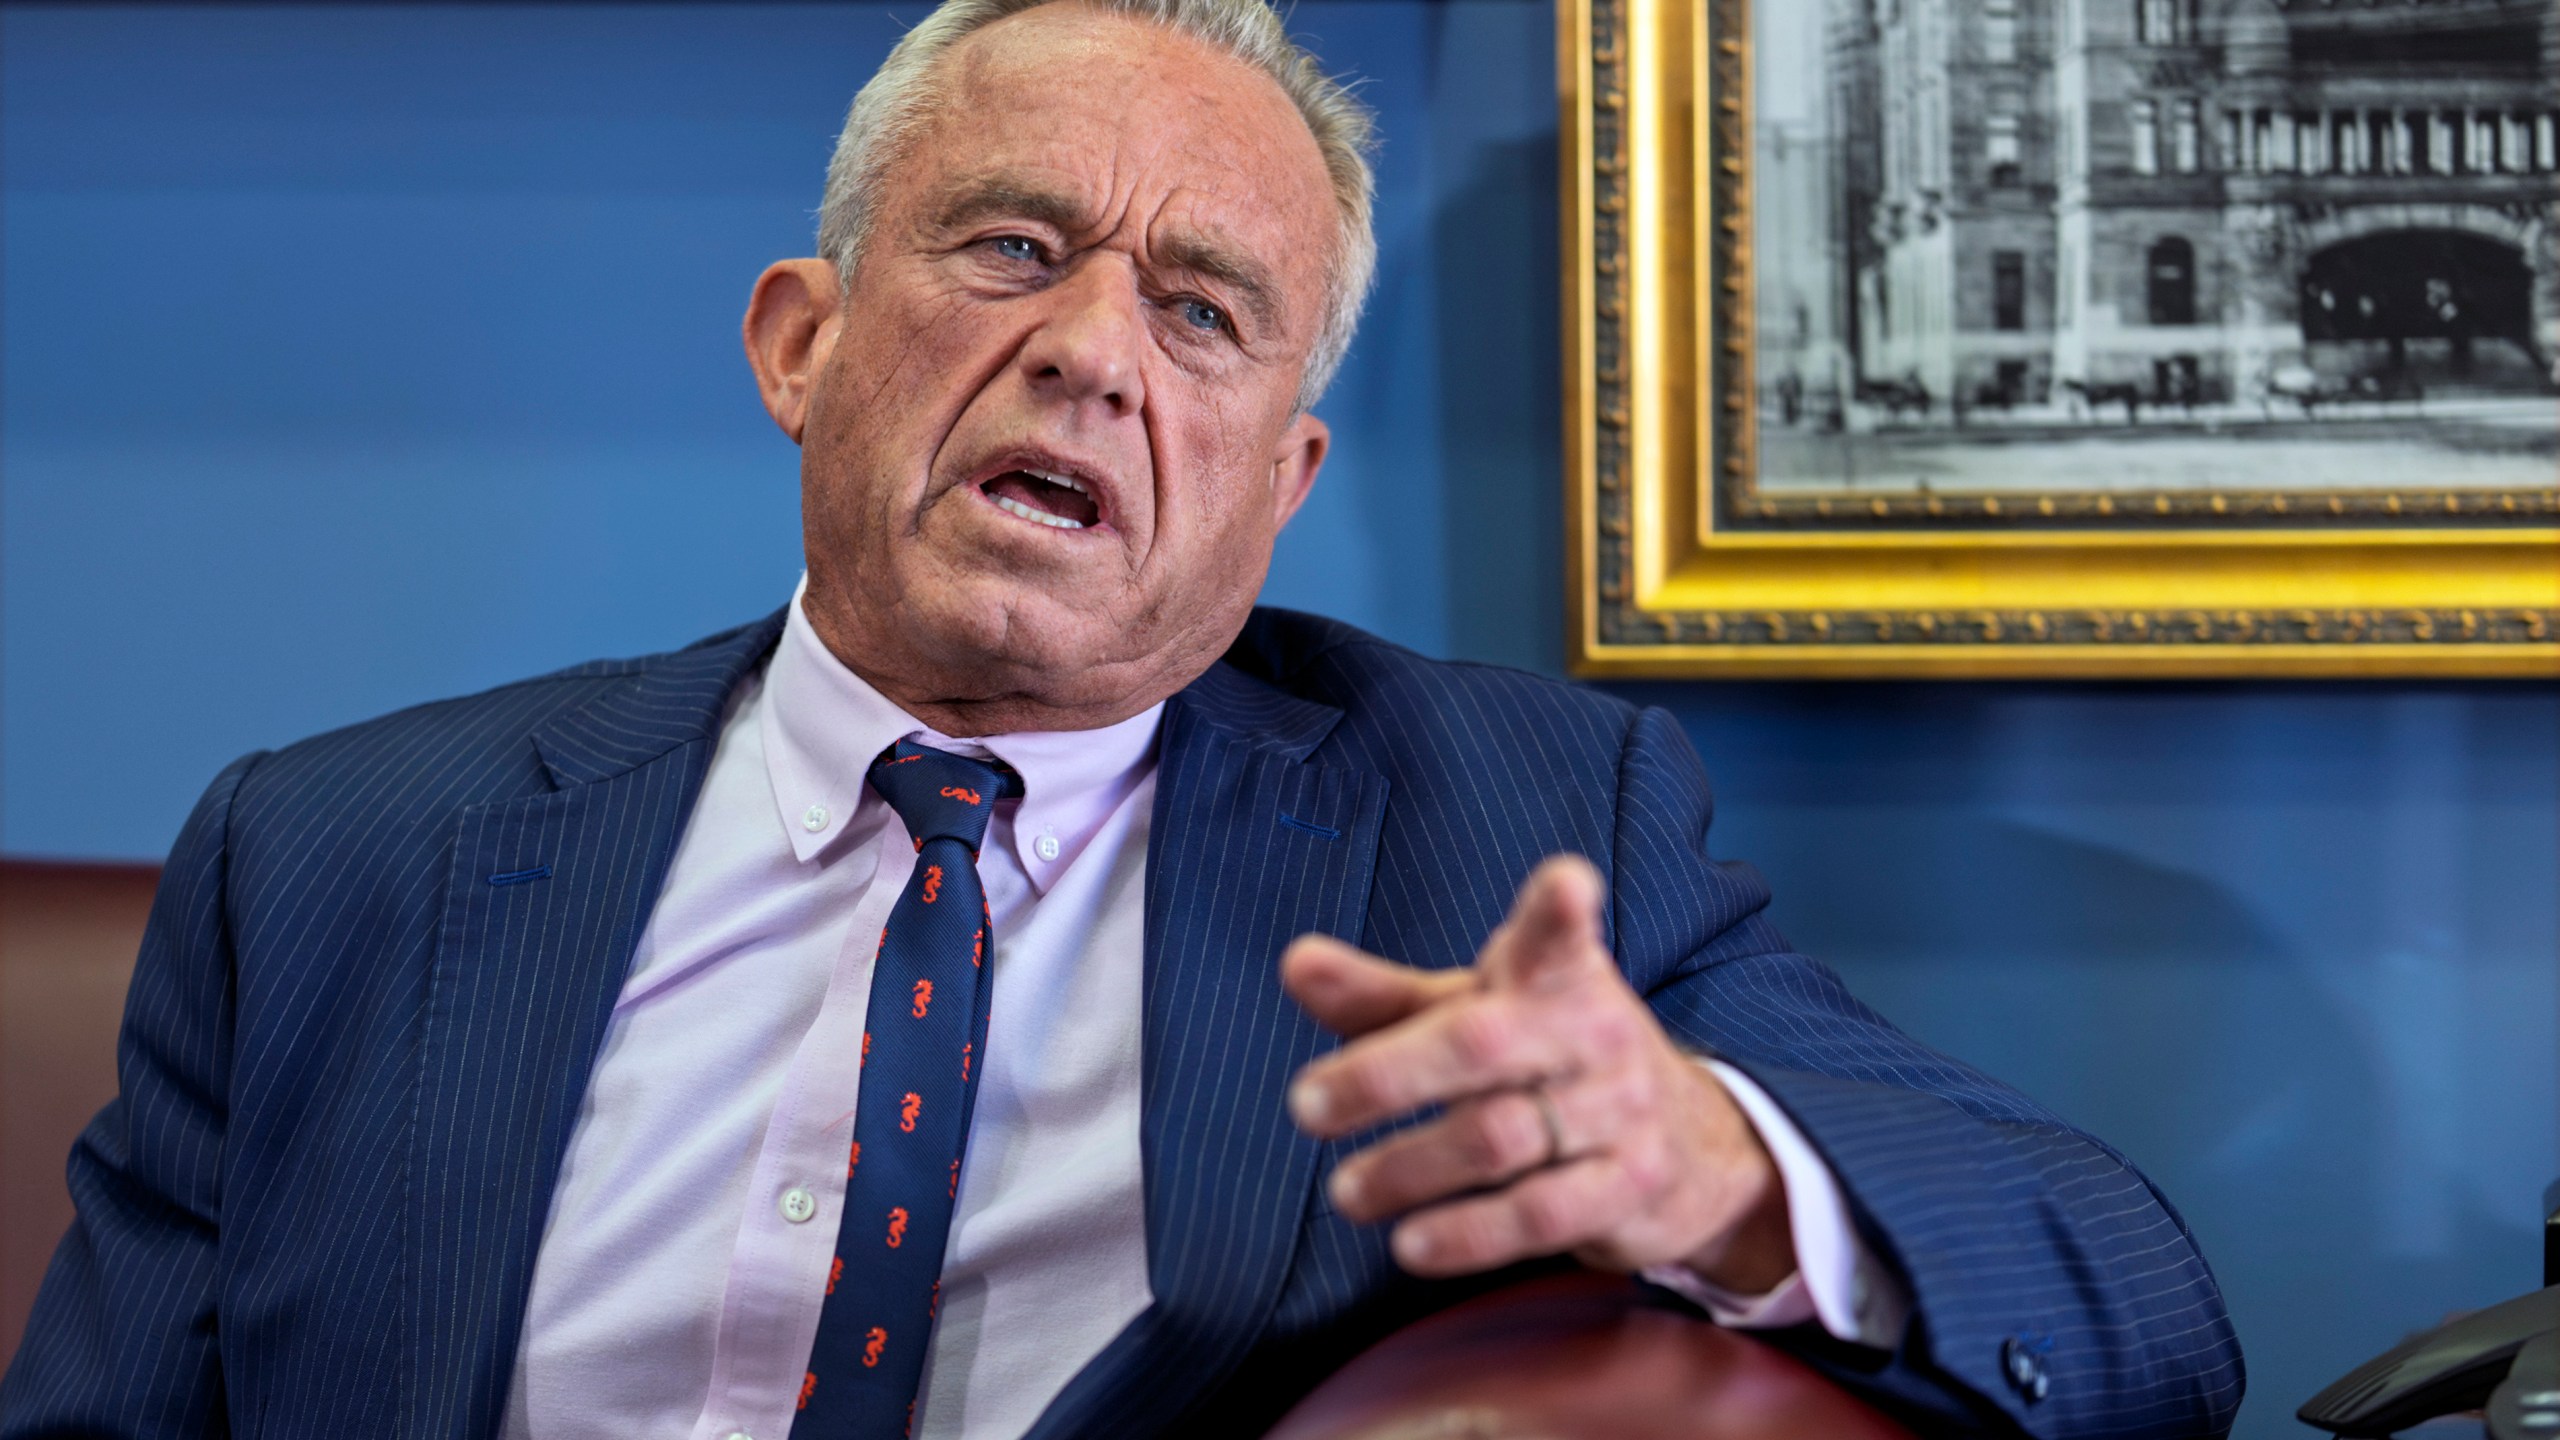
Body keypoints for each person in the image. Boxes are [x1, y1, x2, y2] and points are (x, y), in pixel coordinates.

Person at [0, 0, 2244, 1436]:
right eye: (1005, 249)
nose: (1089, 351)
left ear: (1277, 485)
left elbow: (2128, 1292)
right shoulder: (332, 855)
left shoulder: (1507, 825)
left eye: (1199, 310)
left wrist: (1713, 1170)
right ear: (800, 340)